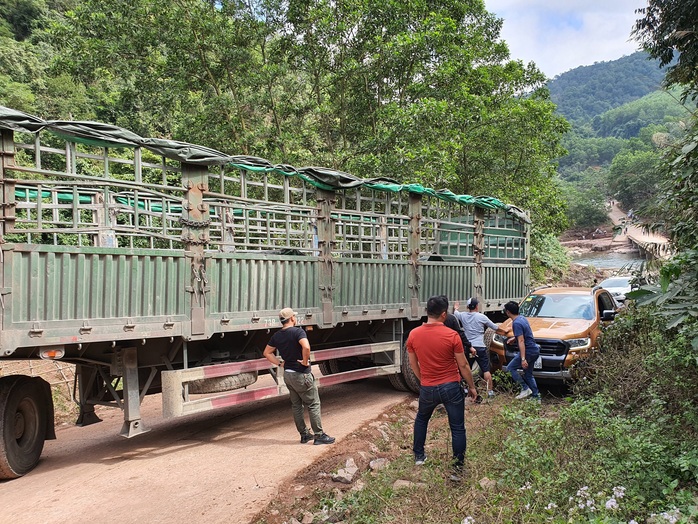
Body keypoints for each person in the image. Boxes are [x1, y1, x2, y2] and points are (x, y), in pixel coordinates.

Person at [407, 295, 477, 481]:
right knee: (457, 428)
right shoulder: (451, 335)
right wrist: (472, 386)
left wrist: (424, 380)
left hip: (428, 388)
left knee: (422, 419)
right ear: (444, 314)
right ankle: (457, 469)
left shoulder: (414, 334)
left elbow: (413, 364)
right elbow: (463, 365)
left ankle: (419, 456)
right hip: (451, 387)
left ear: (427, 312)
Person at [263, 307, 335, 445]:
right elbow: (306, 347)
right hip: (301, 374)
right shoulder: (298, 332)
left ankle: (304, 435)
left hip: (288, 375)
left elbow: (266, 352)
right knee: (313, 404)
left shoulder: (276, 336)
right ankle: (319, 435)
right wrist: (305, 361)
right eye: (294, 316)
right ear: (292, 319)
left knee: (296, 406)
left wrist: (279, 364)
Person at [453, 297, 507, 400]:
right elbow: (495, 327)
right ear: (477, 306)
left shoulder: (463, 316)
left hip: (468, 347)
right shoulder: (482, 317)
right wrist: (506, 331)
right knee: (486, 369)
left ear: (468, 307)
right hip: (480, 347)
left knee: (465, 368)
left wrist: (456, 308)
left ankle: (466, 388)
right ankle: (490, 391)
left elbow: (456, 313)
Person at [503, 301, 541, 402]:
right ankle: (536, 397)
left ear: (508, 312)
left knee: (510, 368)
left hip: (528, 351)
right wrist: (514, 338)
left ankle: (525, 388)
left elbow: (521, 340)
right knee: (528, 374)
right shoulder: (522, 318)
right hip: (534, 350)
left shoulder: (516, 323)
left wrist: (523, 359)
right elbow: (524, 335)